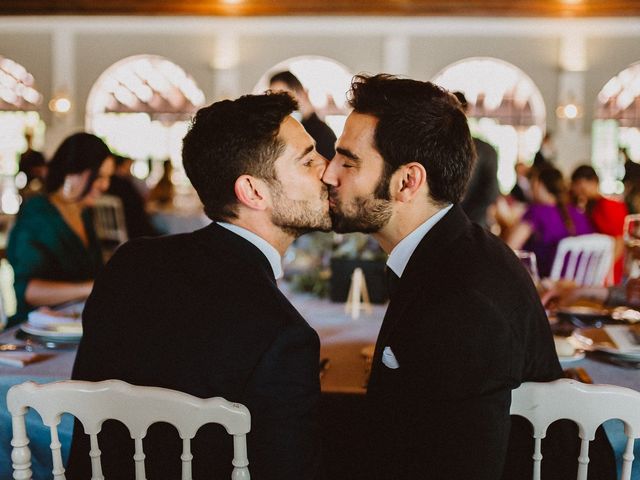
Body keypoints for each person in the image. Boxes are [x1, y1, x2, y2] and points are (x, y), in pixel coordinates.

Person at [322, 74, 615, 480]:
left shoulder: (464, 303)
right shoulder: (449, 250)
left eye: (348, 161)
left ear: (408, 181)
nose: (329, 174)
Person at [68, 92, 331, 480]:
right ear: (253, 191)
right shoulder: (285, 336)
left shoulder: (129, 263)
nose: (327, 170)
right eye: (309, 160)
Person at [6, 133, 114, 328]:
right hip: (35, 329)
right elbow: (29, 291)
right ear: (71, 171)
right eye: (98, 177)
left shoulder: (84, 213)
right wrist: (92, 288)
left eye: (108, 178)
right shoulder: (39, 214)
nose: (105, 185)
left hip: (74, 324)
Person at [506, 166, 593, 278]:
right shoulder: (578, 214)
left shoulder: (537, 212)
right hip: (574, 286)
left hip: (543, 284)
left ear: (538, 184)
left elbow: (509, 248)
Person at [571, 165, 628, 284]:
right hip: (593, 264)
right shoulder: (586, 207)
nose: (577, 191)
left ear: (594, 182)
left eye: (581, 186)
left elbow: (619, 241)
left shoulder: (609, 206)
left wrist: (604, 268)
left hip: (606, 267)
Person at [453, 92, 499, 227]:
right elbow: (491, 192)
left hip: (447, 225)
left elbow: (491, 192)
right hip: (473, 224)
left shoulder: (485, 150)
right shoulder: (486, 149)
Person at [270, 70, 337, 160]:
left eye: (282, 96)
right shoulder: (292, 128)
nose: (277, 104)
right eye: (273, 98)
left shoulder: (321, 133)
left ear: (300, 93)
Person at [106, 154, 159, 239]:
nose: (129, 169)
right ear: (122, 165)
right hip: (134, 229)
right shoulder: (124, 184)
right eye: (128, 165)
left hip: (112, 229)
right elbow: (138, 204)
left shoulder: (109, 183)